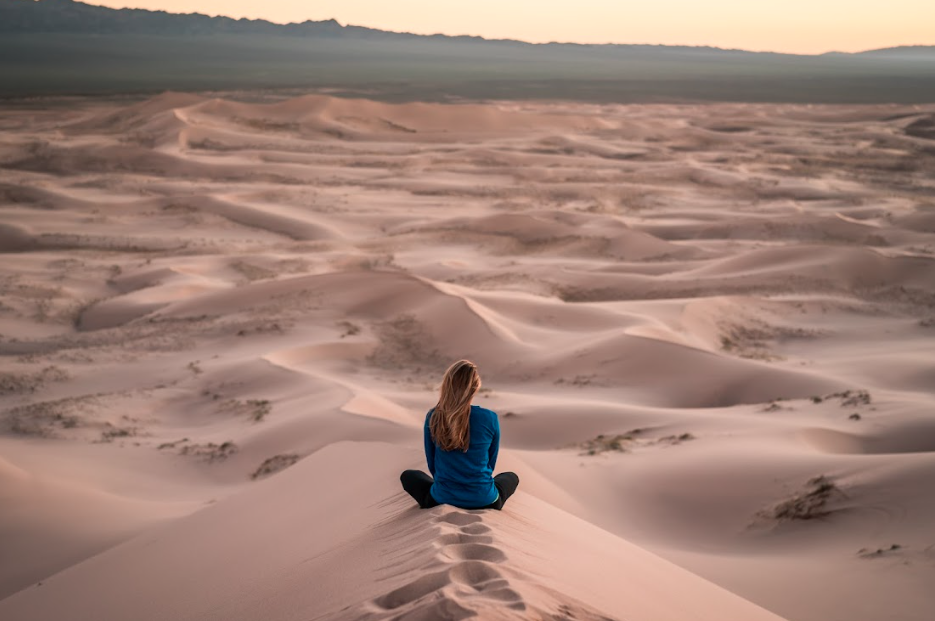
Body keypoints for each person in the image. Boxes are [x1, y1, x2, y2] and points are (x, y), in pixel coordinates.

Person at [400, 359, 519, 510]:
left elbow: (432, 464)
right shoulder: (490, 418)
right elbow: (490, 463)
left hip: (441, 498)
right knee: (511, 477)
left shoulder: (434, 416)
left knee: (409, 476)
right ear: (475, 387)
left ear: (446, 385)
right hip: (484, 500)